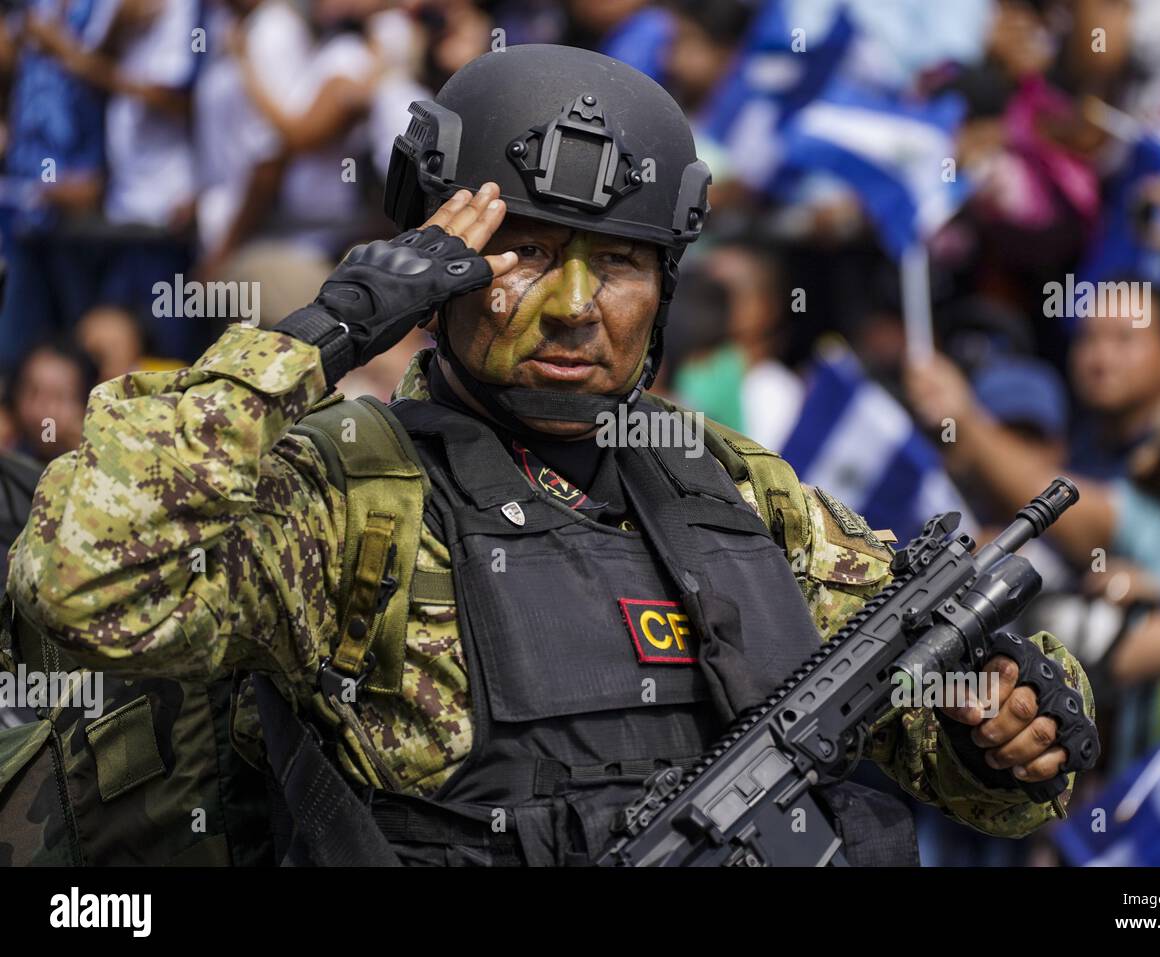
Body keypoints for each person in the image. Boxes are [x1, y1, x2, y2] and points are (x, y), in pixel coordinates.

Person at [7, 45, 1097, 867]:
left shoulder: (730, 486)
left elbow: (952, 742)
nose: (576, 308)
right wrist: (327, 330)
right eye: (523, 253)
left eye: (620, 265)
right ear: (437, 262)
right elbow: (86, 588)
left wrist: (1007, 721)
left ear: (666, 287)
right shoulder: (345, 493)